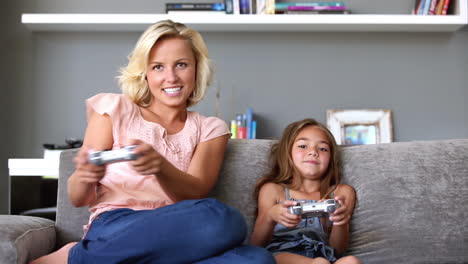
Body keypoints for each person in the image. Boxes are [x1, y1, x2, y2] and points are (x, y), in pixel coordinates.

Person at [30, 20, 275, 264]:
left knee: (257, 259)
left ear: (197, 69)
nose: (171, 77)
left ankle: (86, 258)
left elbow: (195, 192)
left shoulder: (210, 129)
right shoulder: (115, 109)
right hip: (118, 225)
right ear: (144, 73)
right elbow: (78, 198)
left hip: (179, 232)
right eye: (158, 67)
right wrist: (84, 175)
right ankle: (82, 256)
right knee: (222, 218)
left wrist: (160, 166)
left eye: (181, 65)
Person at [250, 118, 361, 264]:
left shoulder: (342, 192)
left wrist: (341, 222)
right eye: (303, 146)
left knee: (351, 261)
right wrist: (271, 216)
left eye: (322, 149)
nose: (313, 152)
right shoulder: (273, 190)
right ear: (287, 152)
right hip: (282, 256)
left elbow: (338, 249)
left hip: (325, 256)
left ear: (331, 158)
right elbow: (256, 245)